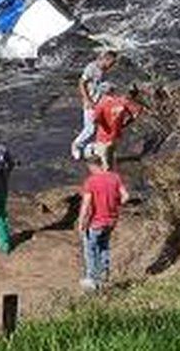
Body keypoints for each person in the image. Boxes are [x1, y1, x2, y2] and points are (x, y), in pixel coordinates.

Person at [78, 156, 129, 290]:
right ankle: (104, 275)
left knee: (90, 250)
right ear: (101, 164)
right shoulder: (115, 177)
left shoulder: (90, 181)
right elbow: (125, 197)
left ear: (91, 166)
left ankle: (91, 279)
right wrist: (115, 205)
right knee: (103, 247)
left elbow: (86, 204)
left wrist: (81, 222)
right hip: (111, 221)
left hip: (96, 222)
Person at [71, 50, 118, 160]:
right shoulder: (91, 68)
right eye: (111, 63)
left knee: (101, 128)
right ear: (105, 59)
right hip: (91, 103)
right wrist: (87, 100)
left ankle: (89, 150)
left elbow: (102, 86)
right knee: (90, 129)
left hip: (101, 103)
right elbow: (81, 83)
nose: (111, 66)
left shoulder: (105, 70)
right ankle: (76, 145)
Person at [87, 84, 144, 170]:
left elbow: (94, 120)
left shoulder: (102, 104)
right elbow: (138, 111)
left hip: (103, 137)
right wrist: (126, 122)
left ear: (103, 93)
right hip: (115, 135)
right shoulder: (122, 101)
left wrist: (101, 122)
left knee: (104, 163)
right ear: (113, 91)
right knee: (110, 157)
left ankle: (103, 169)